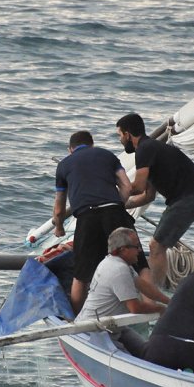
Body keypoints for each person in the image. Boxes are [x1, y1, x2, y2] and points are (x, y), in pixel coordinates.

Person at [53, 130, 168, 313]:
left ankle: (75, 318)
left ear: (70, 150)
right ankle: (151, 308)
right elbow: (127, 186)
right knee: (140, 264)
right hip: (114, 211)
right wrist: (118, 206)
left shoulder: (64, 165)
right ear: (92, 144)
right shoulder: (107, 155)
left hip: (86, 217)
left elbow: (59, 209)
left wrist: (59, 228)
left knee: (81, 273)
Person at [116, 113, 194, 288]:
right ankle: (155, 289)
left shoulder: (144, 149)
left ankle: (155, 292)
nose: (120, 139)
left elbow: (138, 187)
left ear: (127, 134)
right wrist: (122, 204)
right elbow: (147, 195)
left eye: (120, 135)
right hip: (190, 197)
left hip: (189, 197)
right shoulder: (150, 149)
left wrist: (113, 192)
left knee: (156, 246)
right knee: (158, 246)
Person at [75, 228, 167, 356]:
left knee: (147, 353)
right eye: (136, 246)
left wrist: (170, 302)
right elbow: (135, 307)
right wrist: (161, 309)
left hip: (114, 327)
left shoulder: (119, 263)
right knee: (135, 362)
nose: (140, 250)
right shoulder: (119, 270)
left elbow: (144, 286)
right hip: (96, 330)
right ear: (123, 249)